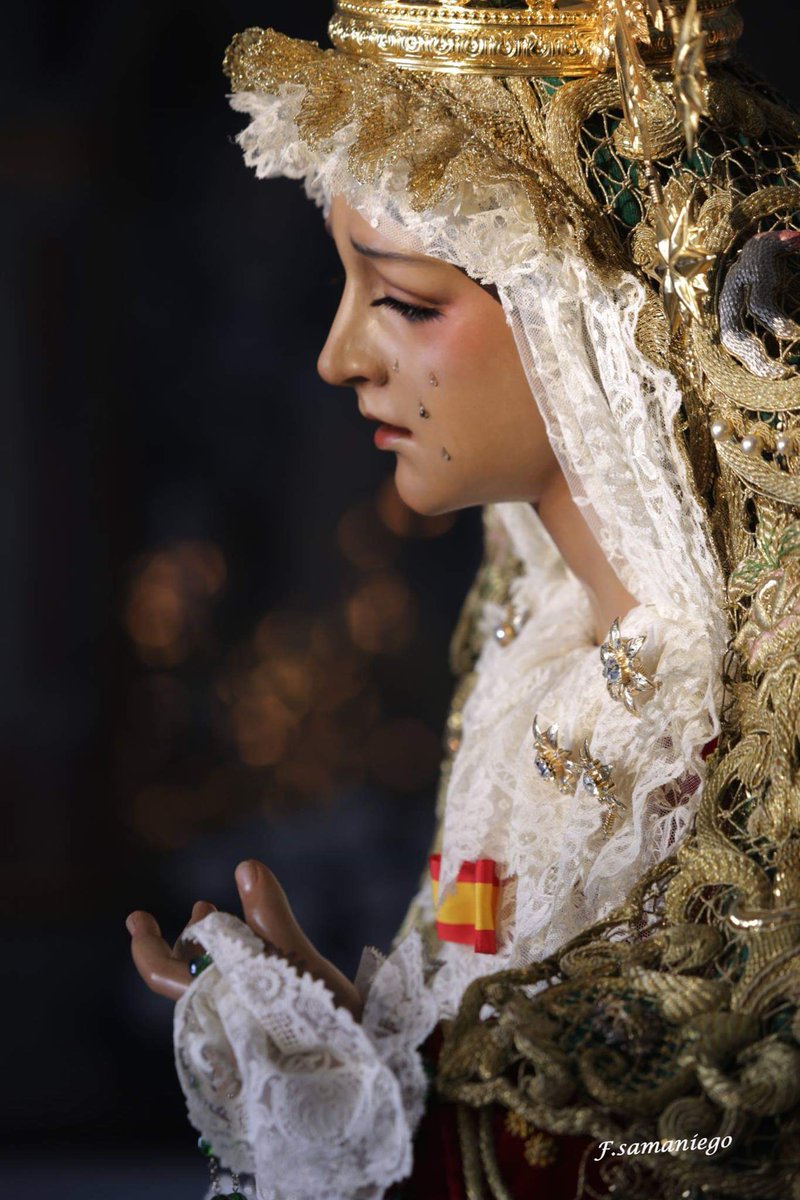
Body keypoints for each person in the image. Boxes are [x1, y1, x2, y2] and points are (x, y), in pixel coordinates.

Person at [127, 3, 800, 1198]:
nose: (338, 356)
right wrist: (369, 1062)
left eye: (403, 300)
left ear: (578, 321)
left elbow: (707, 1145)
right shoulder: (533, 648)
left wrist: (400, 1115)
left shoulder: (752, 699)